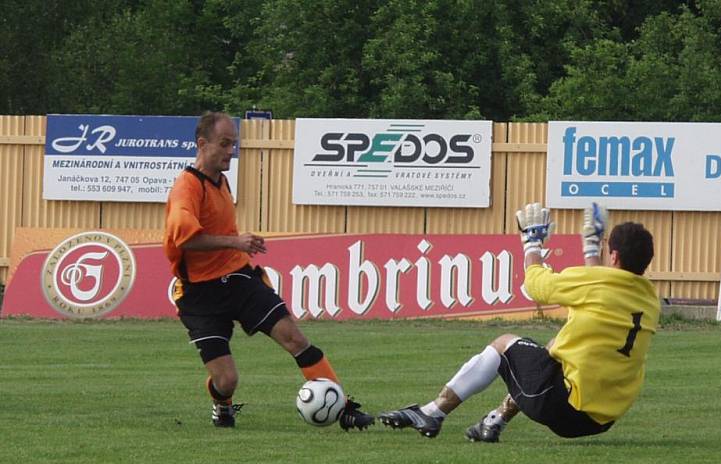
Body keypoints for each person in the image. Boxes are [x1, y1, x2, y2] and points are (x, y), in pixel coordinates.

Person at [379, 201, 660, 442]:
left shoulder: (599, 285)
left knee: (505, 345)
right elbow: (601, 284)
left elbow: (535, 284)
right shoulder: (649, 300)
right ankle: (493, 422)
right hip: (602, 419)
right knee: (549, 353)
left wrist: (532, 241)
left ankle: (432, 413)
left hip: (566, 408)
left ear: (613, 256)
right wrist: (591, 248)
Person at [163, 111, 373, 430]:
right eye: (224, 144)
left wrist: (236, 247)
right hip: (199, 294)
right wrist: (235, 242)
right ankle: (223, 405)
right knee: (227, 380)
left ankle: (342, 408)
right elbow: (185, 239)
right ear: (202, 144)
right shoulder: (187, 187)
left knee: (294, 338)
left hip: (238, 280)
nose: (230, 151)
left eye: (233, 144)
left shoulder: (221, 182)